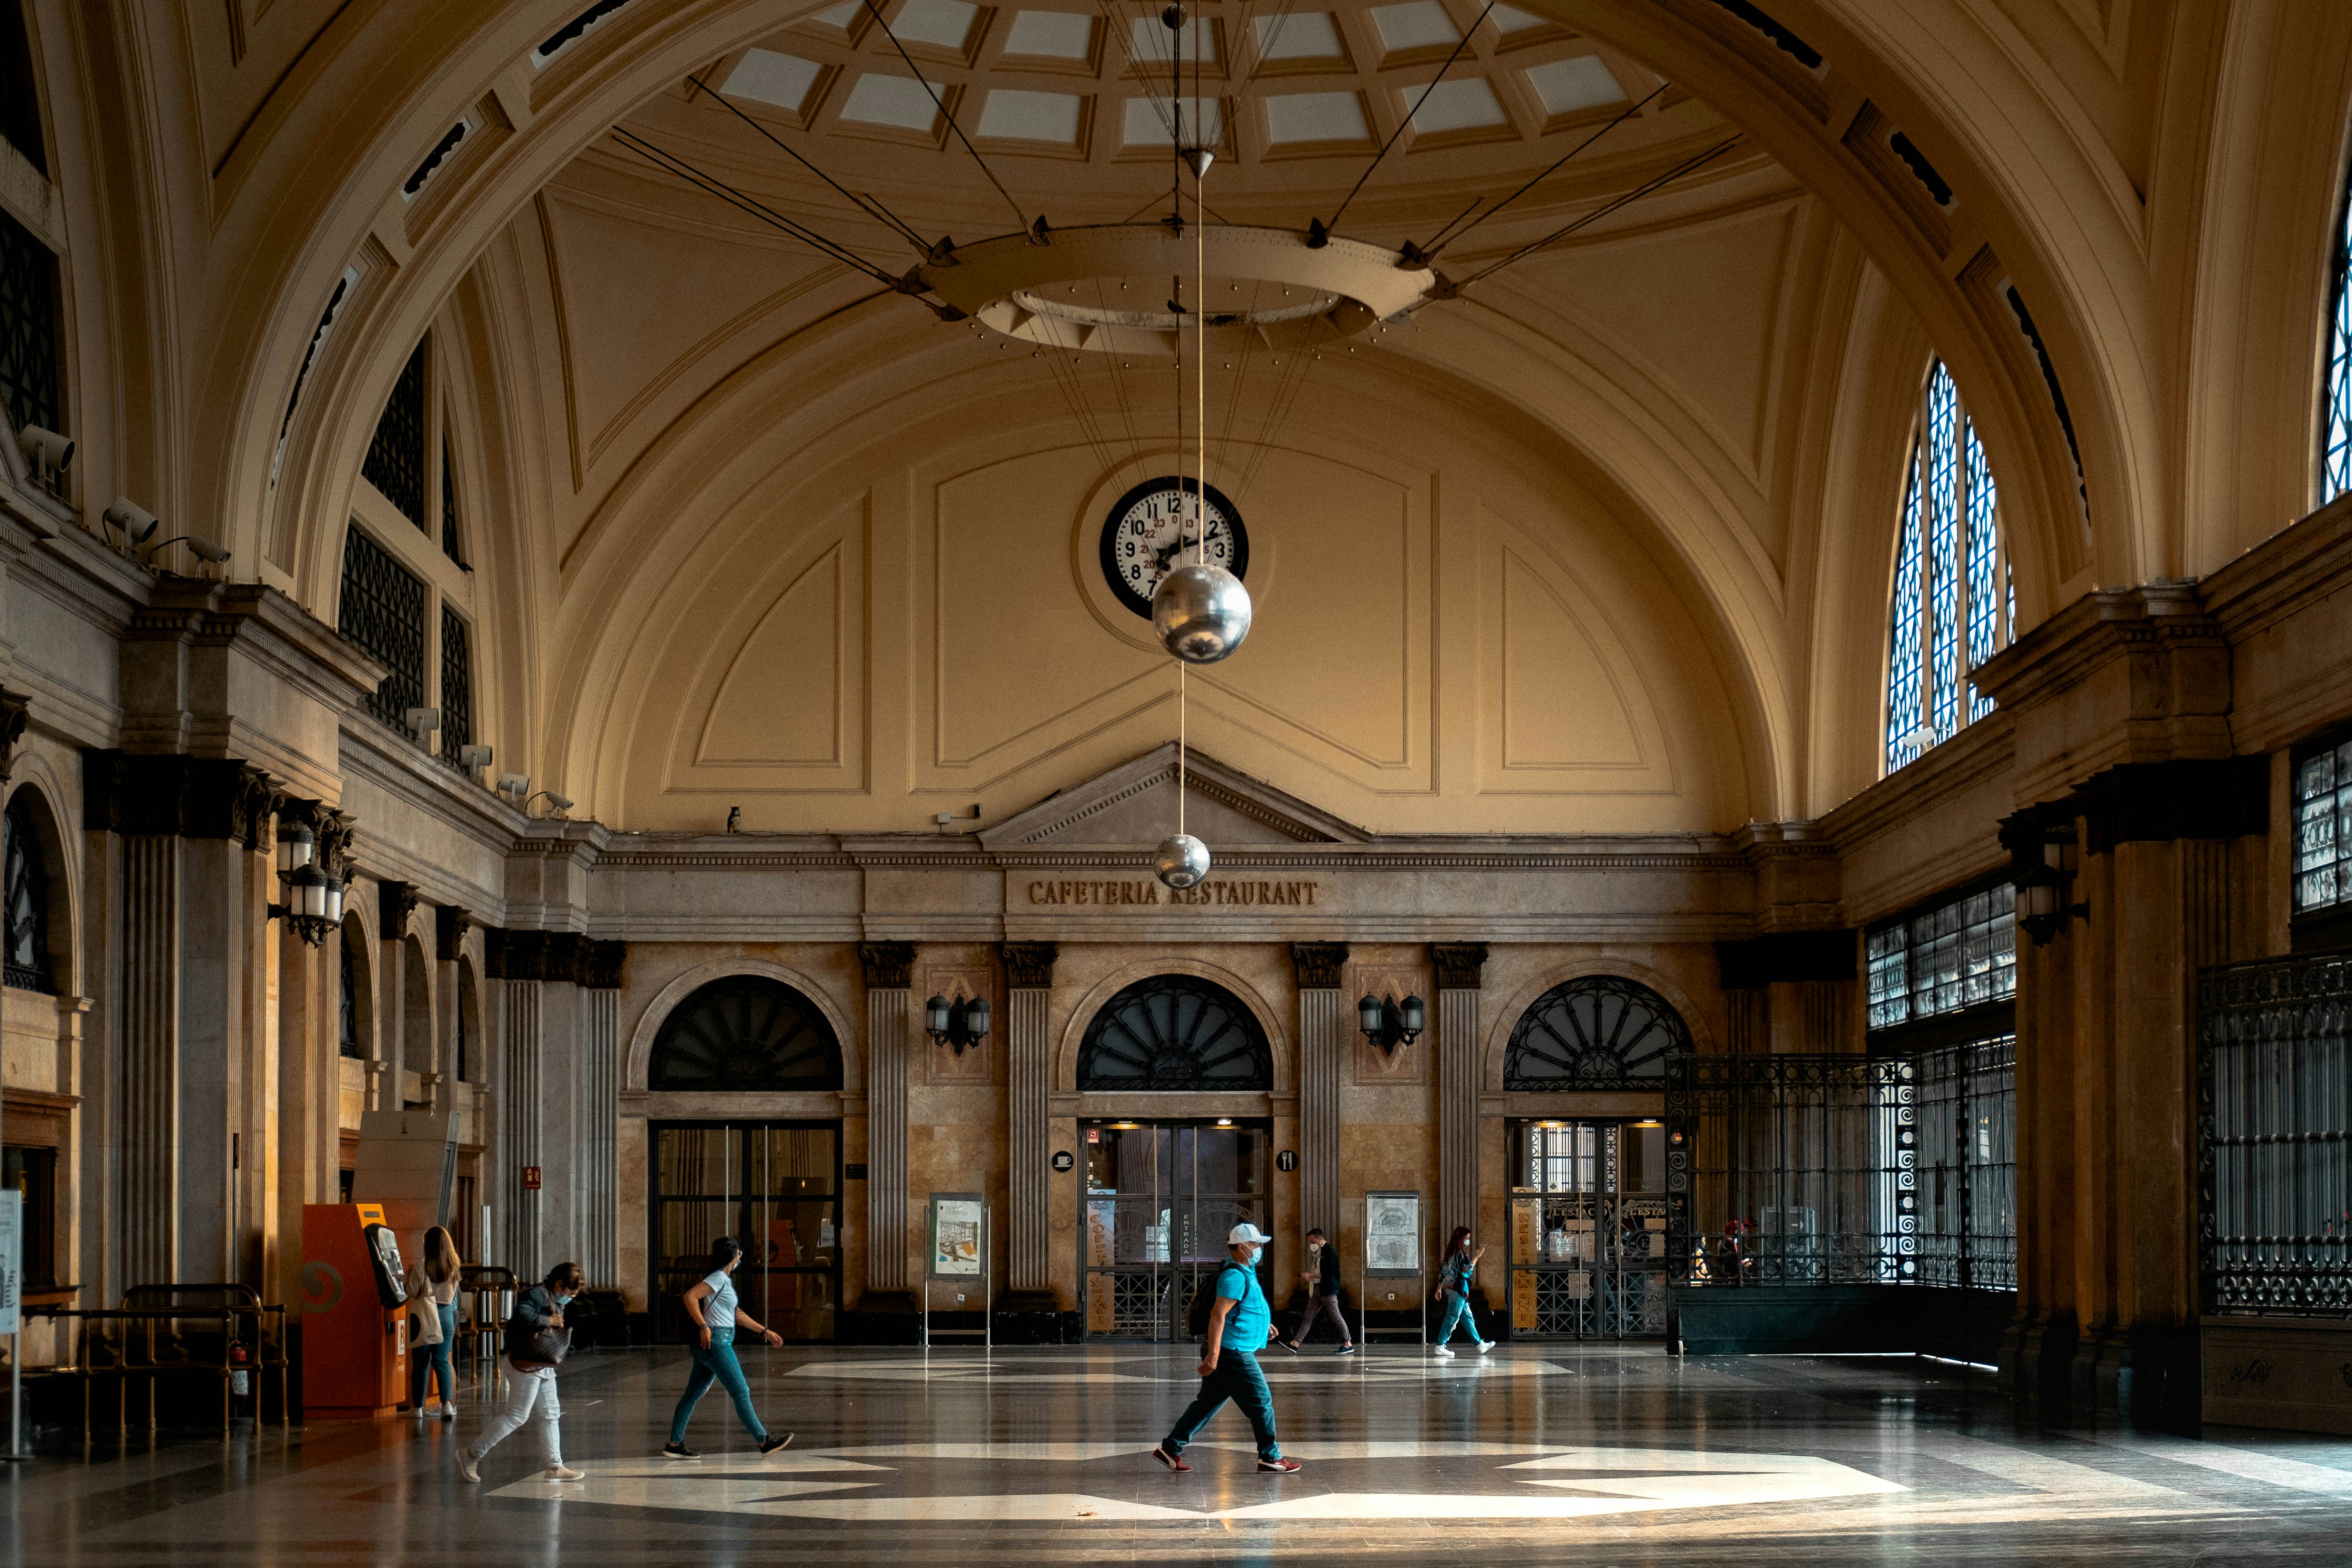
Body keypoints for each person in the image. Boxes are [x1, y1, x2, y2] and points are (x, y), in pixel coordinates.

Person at [1152, 1224, 1303, 1475]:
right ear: (1243, 1248)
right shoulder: (1235, 1275)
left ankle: (1171, 1448)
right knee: (1261, 1402)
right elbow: (1218, 1315)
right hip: (1232, 1352)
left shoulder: (1246, 1271)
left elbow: (1245, 1308)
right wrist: (1213, 1355)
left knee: (1207, 1403)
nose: (1259, 1249)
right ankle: (1270, 1456)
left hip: (1233, 1349)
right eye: (1255, 1245)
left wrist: (1264, 1325)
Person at [664, 1236, 794, 1459]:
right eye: (739, 1252)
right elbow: (690, 1297)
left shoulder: (724, 1280)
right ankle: (764, 1442)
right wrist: (703, 1325)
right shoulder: (717, 1279)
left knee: (691, 1396)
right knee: (741, 1392)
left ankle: (674, 1445)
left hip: (713, 1342)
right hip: (718, 1342)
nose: (741, 1255)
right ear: (733, 1257)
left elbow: (736, 1314)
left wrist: (765, 1331)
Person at [458, 1262, 584, 1483]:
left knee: (551, 1413)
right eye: (570, 1293)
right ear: (559, 1284)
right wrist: (549, 1320)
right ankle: (471, 1454)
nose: (570, 1298)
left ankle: (555, 1466)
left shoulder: (552, 1298)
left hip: (542, 1364)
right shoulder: (537, 1294)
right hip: (525, 1364)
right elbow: (520, 1317)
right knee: (517, 1416)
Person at [408, 1225, 462, 1421]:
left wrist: (407, 1278)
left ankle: (418, 1408)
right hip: (446, 1316)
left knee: (421, 1364)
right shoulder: (453, 1266)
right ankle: (447, 1405)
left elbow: (413, 1291)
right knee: (442, 1362)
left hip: (424, 1317)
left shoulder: (422, 1267)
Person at [1276, 1226, 1353, 1354]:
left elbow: (1329, 1274)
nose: (1311, 1245)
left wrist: (1311, 1276)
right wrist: (1311, 1275)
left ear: (1320, 1239)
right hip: (1319, 1289)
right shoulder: (1320, 1254)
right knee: (1308, 1316)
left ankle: (1348, 1343)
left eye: (1312, 1242)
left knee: (1336, 1316)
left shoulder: (1329, 1253)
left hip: (1328, 1291)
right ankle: (1295, 1343)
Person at [1431, 1226, 1493, 1356]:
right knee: (1452, 1317)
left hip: (1453, 1290)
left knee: (1467, 1317)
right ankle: (1440, 1344)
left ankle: (1479, 1344)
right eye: (1467, 1239)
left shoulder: (1450, 1253)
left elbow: (1444, 1271)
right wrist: (1477, 1257)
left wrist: (1439, 1288)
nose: (1468, 1242)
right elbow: (1468, 1271)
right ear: (1461, 1239)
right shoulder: (1460, 1255)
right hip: (1458, 1290)